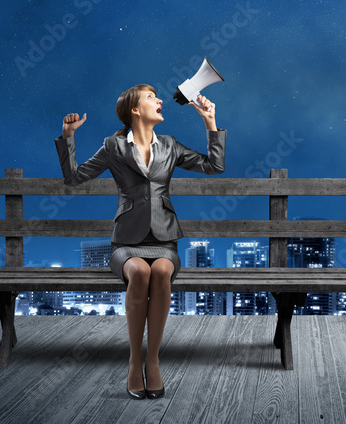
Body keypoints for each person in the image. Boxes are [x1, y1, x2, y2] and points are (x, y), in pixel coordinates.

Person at [54, 84, 225, 399]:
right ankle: (135, 361)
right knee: (141, 273)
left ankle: (153, 360)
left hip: (164, 240)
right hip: (126, 244)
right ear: (134, 110)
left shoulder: (170, 146)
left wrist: (210, 123)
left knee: (160, 271)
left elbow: (213, 166)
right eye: (151, 97)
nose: (160, 100)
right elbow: (74, 177)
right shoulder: (113, 146)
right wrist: (68, 137)